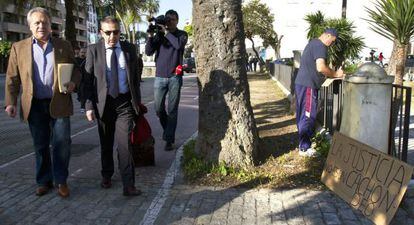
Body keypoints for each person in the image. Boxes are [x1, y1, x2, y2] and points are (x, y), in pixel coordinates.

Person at [4, 7, 80, 197]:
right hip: (34, 104)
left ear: (49, 24)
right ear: (30, 26)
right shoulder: (18, 47)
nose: (41, 26)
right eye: (36, 22)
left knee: (62, 143)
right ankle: (44, 181)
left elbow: (77, 70)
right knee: (40, 144)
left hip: (59, 102)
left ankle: (61, 181)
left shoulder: (63, 45)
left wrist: (73, 83)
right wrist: (10, 102)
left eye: (44, 22)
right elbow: (12, 77)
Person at [83, 16, 143, 196]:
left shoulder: (130, 49)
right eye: (107, 32)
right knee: (106, 143)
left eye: (115, 32)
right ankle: (107, 174)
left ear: (120, 32)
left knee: (125, 144)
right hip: (103, 105)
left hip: (124, 104)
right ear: (101, 33)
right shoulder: (93, 51)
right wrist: (88, 106)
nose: (112, 36)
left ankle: (128, 184)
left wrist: (136, 103)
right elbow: (87, 82)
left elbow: (135, 78)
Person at [294, 28, 344, 157]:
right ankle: (304, 148)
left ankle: (302, 143)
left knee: (302, 114)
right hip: (308, 86)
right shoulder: (320, 46)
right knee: (308, 115)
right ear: (328, 36)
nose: (331, 44)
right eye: (332, 41)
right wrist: (336, 74)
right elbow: (320, 67)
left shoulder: (313, 43)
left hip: (302, 84)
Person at [145, 9, 188, 151]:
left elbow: (178, 46)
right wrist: (151, 36)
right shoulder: (160, 35)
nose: (169, 22)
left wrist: (167, 32)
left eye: (172, 20)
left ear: (177, 21)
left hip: (175, 76)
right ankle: (167, 132)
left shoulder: (182, 35)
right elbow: (148, 52)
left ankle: (169, 139)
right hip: (159, 77)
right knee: (158, 109)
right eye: (167, 19)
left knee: (172, 110)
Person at [75, 47, 87, 112]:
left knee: (83, 93)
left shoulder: (88, 60)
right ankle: (81, 101)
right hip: (78, 80)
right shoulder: (76, 60)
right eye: (82, 52)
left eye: (84, 53)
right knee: (80, 93)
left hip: (85, 79)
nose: (83, 54)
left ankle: (83, 106)